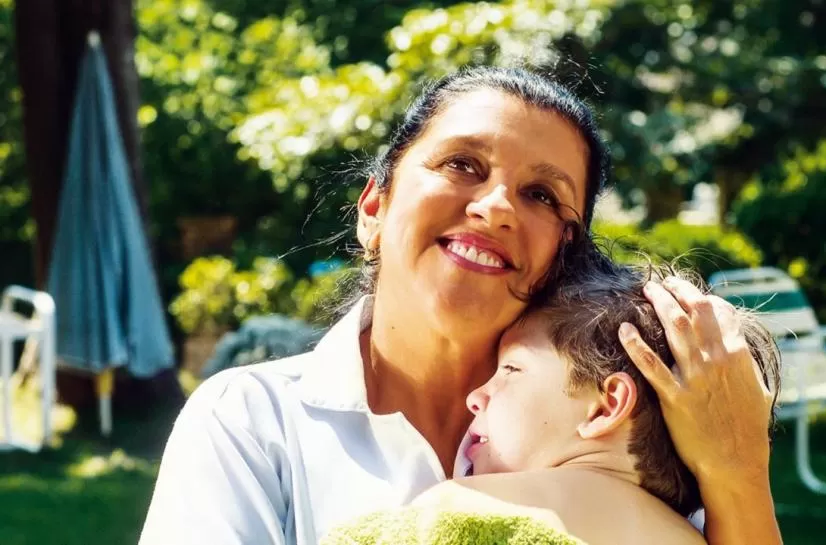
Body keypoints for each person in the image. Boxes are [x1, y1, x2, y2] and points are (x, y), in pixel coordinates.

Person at [138, 66, 783, 545]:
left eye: (541, 195)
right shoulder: (252, 420)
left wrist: (739, 476)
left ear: (567, 251)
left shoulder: (640, 431)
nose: (497, 207)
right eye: (462, 164)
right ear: (374, 208)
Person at [318, 254, 781, 545]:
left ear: (606, 405)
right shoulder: (707, 537)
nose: (476, 396)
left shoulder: (468, 508)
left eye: (511, 370)